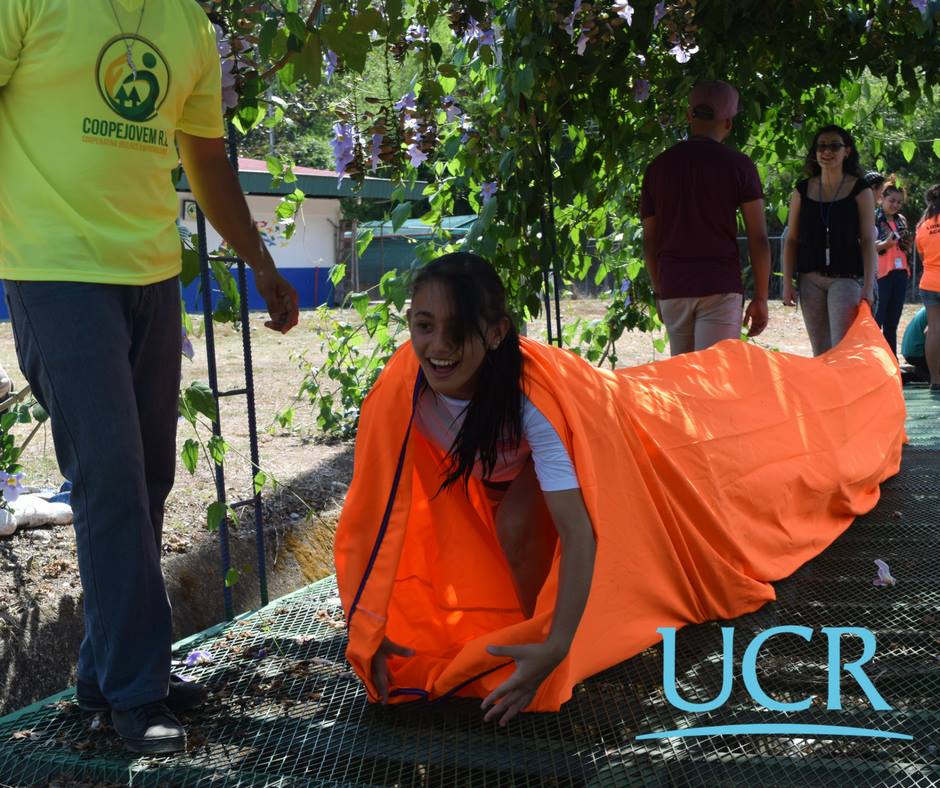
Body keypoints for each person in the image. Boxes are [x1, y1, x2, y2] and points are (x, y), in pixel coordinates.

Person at [335, 253, 905, 729]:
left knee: (756, 425)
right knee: (507, 523)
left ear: (495, 331)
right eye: (423, 325)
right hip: (525, 461)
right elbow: (372, 520)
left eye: (456, 330)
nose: (437, 345)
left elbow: (581, 535)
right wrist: (369, 627)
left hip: (635, 427)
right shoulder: (400, 394)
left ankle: (542, 633)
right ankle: (531, 629)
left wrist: (558, 646)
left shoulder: (534, 401)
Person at [0, 0, 299, 754]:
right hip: (54, 271)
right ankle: (139, 691)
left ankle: (106, 671)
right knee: (108, 473)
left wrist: (261, 263)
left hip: (151, 276)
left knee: (151, 477)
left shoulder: (190, 27)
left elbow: (205, 160)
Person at [640, 80, 771, 356]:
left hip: (674, 284)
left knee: (684, 381)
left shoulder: (658, 167)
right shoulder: (739, 165)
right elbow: (758, 238)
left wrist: (659, 292)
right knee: (714, 382)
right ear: (728, 123)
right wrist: (761, 296)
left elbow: (650, 243)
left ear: (689, 116)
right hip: (719, 285)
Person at [781, 126, 877, 355]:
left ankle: (847, 391)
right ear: (815, 152)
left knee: (842, 350)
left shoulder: (861, 189)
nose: (827, 151)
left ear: (847, 151)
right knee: (821, 352)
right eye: (821, 146)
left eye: (835, 145)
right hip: (810, 278)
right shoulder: (801, 190)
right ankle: (825, 392)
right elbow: (792, 239)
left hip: (845, 278)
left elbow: (867, 239)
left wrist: (868, 286)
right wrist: (786, 284)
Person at [874, 182, 913, 356]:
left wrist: (908, 245)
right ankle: (874, 362)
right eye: (892, 200)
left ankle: (892, 361)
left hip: (901, 273)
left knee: (892, 323)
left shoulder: (901, 219)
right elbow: (865, 247)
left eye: (899, 202)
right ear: (881, 198)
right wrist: (886, 244)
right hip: (881, 274)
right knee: (877, 321)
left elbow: (905, 246)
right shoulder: (873, 218)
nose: (895, 205)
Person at [914, 184, 940, 392]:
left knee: (933, 329)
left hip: (929, 282)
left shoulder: (923, 226)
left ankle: (935, 380)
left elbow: (923, 256)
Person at [900, 307, 929, 383]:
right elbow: (928, 333)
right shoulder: (936, 307)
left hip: (911, 351)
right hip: (917, 353)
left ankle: (915, 372)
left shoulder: (932, 304)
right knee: (934, 376)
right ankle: (921, 372)